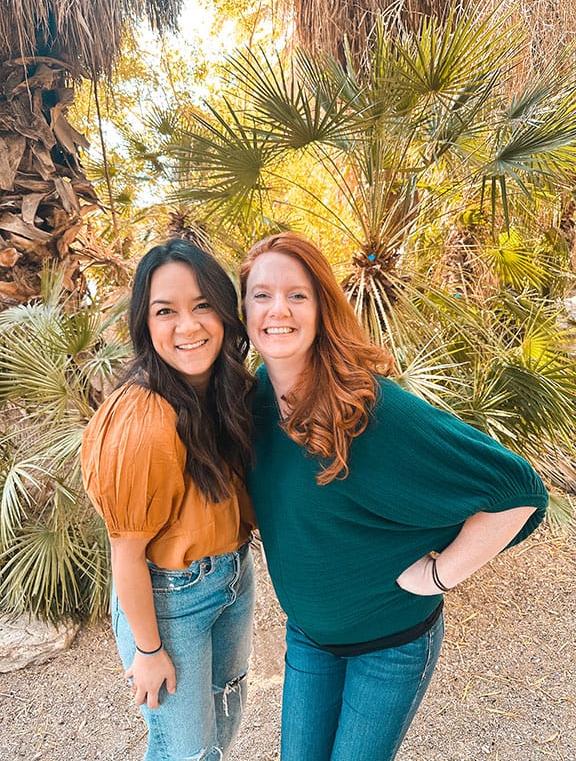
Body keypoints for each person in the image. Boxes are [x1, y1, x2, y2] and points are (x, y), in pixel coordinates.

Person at [239, 232, 549, 761]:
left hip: (390, 645)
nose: (278, 309)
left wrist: (438, 575)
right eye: (261, 294)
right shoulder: (252, 400)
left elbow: (519, 491)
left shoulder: (369, 409)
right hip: (309, 639)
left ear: (322, 308)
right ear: (242, 310)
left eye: (298, 294)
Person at [81, 238, 256, 761]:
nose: (188, 325)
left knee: (222, 725)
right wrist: (149, 650)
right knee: (186, 753)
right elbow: (126, 553)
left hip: (233, 577)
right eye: (166, 311)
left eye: (203, 304)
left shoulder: (225, 391)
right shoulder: (145, 420)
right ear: (145, 324)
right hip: (170, 600)